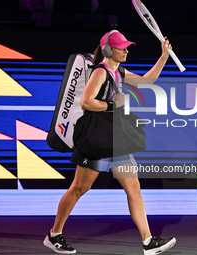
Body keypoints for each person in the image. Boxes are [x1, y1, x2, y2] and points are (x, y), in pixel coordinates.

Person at [43, 30, 176, 255]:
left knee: (134, 188)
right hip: (96, 139)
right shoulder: (100, 73)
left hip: (115, 139)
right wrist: (114, 105)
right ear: (107, 50)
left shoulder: (119, 72)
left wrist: (164, 56)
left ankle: (148, 241)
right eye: (121, 47)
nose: (125, 50)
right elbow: (86, 102)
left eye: (126, 47)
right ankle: (54, 234)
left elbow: (146, 82)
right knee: (79, 188)